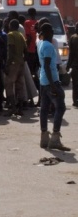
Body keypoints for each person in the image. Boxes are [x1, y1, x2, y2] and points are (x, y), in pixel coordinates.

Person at [38, 23, 70, 151]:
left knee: (44, 109)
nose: (53, 32)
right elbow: (46, 65)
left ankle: (44, 137)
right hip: (50, 80)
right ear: (47, 32)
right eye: (51, 30)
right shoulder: (49, 46)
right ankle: (55, 137)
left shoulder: (40, 44)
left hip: (43, 80)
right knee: (60, 107)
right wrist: (53, 85)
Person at [4, 19, 27, 116]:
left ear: (10, 25)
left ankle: (13, 108)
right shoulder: (21, 35)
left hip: (13, 63)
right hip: (21, 63)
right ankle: (20, 109)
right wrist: (23, 60)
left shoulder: (10, 35)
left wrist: (7, 64)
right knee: (19, 86)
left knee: (9, 84)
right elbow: (26, 50)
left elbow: (11, 50)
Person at [67, 21, 78, 107]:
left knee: (75, 84)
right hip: (75, 65)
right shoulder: (73, 38)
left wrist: (68, 65)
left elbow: (71, 54)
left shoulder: (73, 38)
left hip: (75, 66)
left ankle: (75, 101)